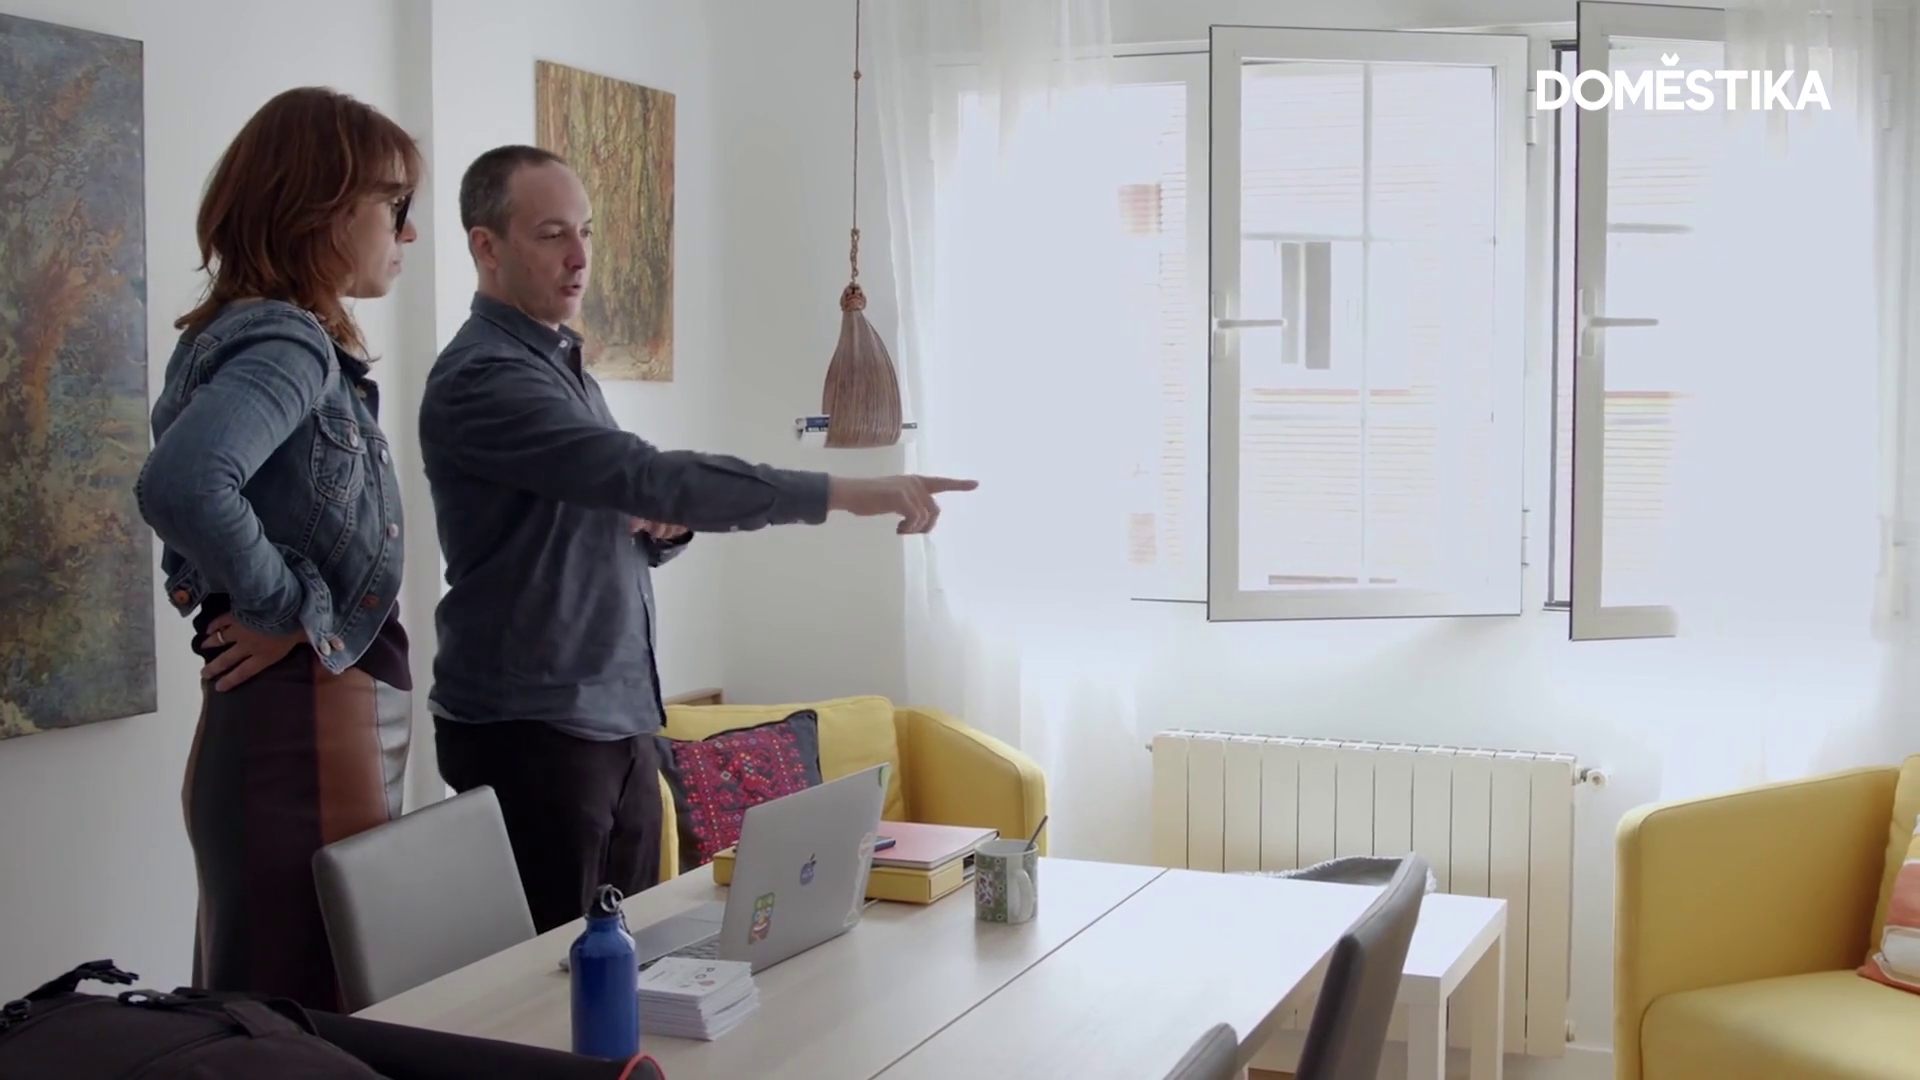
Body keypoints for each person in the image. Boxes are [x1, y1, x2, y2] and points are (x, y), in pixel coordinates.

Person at [419, 144, 976, 933]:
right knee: (552, 981)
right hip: (533, 730)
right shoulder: (484, 377)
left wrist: (663, 526)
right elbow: (646, 476)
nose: (580, 257)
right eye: (551, 234)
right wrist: (852, 493)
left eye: (586, 230)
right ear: (486, 245)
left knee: (634, 959)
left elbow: (614, 514)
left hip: (617, 716)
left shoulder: (562, 367)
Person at [136, 87, 421, 1011]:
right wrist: (283, 605)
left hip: (295, 729)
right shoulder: (288, 344)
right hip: (303, 736)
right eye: (394, 204)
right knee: (310, 1014)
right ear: (322, 209)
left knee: (279, 1006)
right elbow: (184, 485)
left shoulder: (251, 333)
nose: (407, 232)